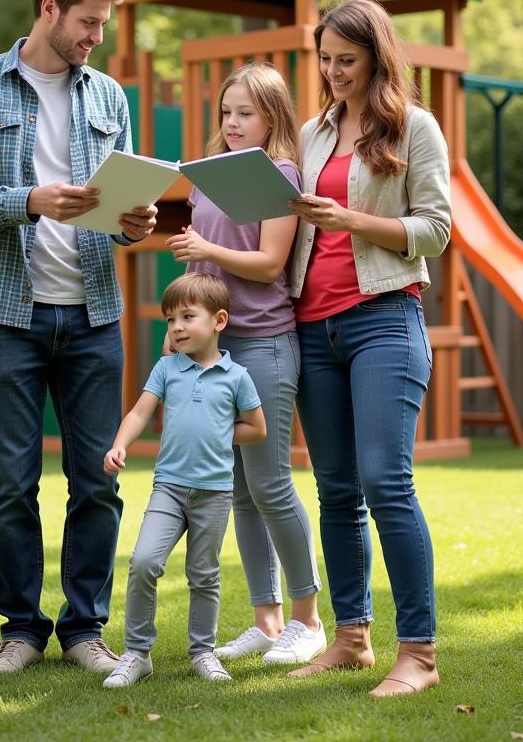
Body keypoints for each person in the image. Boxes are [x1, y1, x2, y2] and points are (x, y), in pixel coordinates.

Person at [0, 0, 157, 678]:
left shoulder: (109, 97)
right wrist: (29, 201)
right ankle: (21, 630)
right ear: (50, 9)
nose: (97, 38)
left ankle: (85, 629)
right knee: (11, 481)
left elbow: (119, 215)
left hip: (93, 311)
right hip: (7, 312)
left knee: (98, 479)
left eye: (104, 26)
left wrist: (136, 222)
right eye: (89, 24)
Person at [285, 0, 450, 696]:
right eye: (324, 60)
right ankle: (350, 638)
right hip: (311, 329)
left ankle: (419, 656)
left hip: (384, 319)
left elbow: (436, 229)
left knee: (387, 481)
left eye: (346, 60)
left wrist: (351, 218)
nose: (333, 72)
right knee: (336, 491)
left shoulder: (414, 128)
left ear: (377, 57)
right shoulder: (313, 130)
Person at [164, 64, 325, 666]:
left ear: (274, 116)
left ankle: (308, 621)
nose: (232, 124)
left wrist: (205, 250)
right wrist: (181, 328)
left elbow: (269, 263)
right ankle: (266, 620)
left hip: (264, 346)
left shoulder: (279, 174)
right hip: (216, 350)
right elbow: (204, 272)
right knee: (238, 491)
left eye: (246, 113)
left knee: (270, 483)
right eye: (227, 112)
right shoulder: (208, 178)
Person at [101, 273, 266, 688]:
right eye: (170, 319)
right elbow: (140, 412)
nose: (176, 327)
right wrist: (119, 444)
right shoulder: (166, 369)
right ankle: (137, 653)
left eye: (187, 317)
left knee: (204, 574)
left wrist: (218, 434)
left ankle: (202, 652)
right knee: (143, 563)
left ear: (219, 320)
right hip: (169, 488)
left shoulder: (237, 376)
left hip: (215, 493)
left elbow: (257, 428)